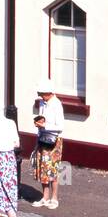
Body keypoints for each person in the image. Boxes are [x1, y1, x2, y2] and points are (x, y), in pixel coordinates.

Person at [31, 81, 66, 209]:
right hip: (42, 138)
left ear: (49, 93)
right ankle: (45, 197)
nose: (40, 96)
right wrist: (39, 124)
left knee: (52, 169)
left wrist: (45, 125)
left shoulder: (57, 104)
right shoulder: (42, 103)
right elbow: (42, 119)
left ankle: (54, 198)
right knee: (42, 168)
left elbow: (60, 126)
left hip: (54, 140)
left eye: (42, 94)